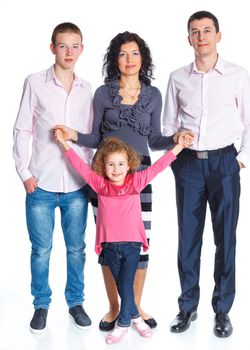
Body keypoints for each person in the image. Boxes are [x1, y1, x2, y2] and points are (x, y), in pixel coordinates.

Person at [54, 31, 181, 331]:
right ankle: (114, 307)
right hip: (105, 171)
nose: (129, 59)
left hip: (139, 173)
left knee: (140, 241)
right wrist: (72, 136)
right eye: (123, 54)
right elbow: (96, 137)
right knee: (110, 242)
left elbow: (155, 138)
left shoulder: (153, 95)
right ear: (115, 59)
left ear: (143, 58)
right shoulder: (102, 93)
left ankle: (134, 306)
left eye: (134, 53)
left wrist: (176, 140)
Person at [163, 10, 250, 338]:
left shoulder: (237, 75)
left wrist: (241, 159)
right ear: (188, 38)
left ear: (218, 35)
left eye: (207, 30)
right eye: (195, 31)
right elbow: (166, 125)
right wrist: (177, 142)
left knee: (225, 239)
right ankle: (187, 307)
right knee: (188, 238)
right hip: (188, 165)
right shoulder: (178, 77)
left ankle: (222, 310)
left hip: (224, 164)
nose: (201, 36)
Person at [54, 134, 193, 343]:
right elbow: (80, 167)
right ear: (103, 166)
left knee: (126, 284)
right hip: (109, 246)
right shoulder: (100, 185)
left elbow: (159, 166)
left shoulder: (136, 182)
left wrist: (178, 147)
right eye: (111, 164)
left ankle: (122, 324)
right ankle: (137, 318)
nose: (116, 169)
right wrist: (64, 144)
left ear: (129, 165)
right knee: (122, 285)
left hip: (132, 245)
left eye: (120, 164)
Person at [13, 22, 93, 333]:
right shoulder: (35, 82)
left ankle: (75, 302)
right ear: (52, 48)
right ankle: (41, 305)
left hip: (76, 184)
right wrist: (25, 172)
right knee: (41, 250)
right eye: (63, 45)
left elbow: (88, 135)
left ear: (82, 49)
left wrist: (87, 172)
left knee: (76, 249)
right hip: (41, 183)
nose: (69, 52)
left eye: (75, 46)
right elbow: (22, 128)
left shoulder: (88, 90)